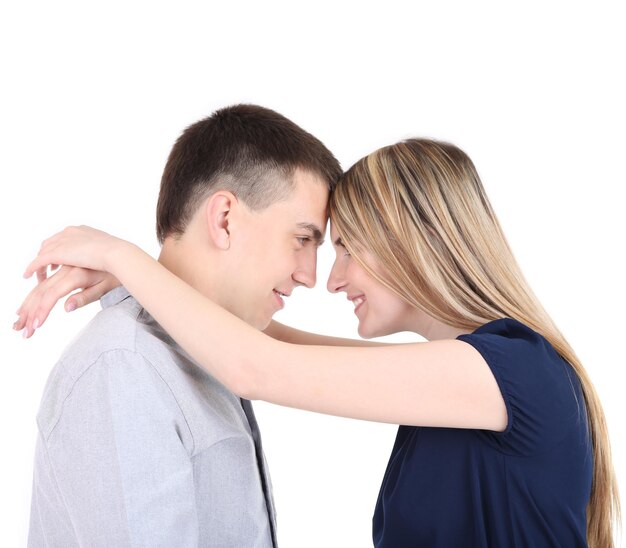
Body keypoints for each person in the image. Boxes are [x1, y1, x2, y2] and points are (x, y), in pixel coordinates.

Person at [18, 139, 620, 547]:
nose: (330, 278)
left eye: (348, 248)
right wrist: (146, 281)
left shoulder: (511, 372)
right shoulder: (466, 381)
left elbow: (256, 366)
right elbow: (265, 340)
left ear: (414, 241)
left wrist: (118, 255)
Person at [18, 103, 342, 547]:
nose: (310, 275)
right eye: (303, 240)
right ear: (224, 219)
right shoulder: (125, 365)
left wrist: (125, 263)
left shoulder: (211, 351)